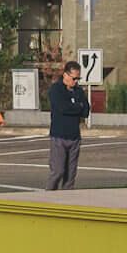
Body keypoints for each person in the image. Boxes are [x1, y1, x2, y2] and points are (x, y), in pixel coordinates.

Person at [47, 59, 91, 190]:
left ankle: (66, 200)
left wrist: (76, 107)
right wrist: (77, 107)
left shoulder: (78, 91)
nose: (76, 81)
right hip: (59, 136)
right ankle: (48, 196)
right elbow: (62, 108)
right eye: (74, 78)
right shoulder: (56, 90)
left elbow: (86, 111)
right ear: (65, 75)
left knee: (70, 175)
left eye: (78, 78)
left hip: (74, 137)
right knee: (58, 171)